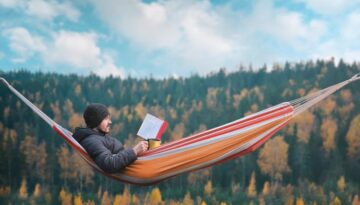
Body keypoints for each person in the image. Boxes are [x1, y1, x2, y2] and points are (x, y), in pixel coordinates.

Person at [73, 103, 148, 173]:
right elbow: (109, 164)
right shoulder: (91, 141)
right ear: (96, 121)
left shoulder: (99, 135)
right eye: (106, 119)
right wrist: (134, 151)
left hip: (132, 163)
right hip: (131, 169)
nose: (110, 122)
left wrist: (138, 150)